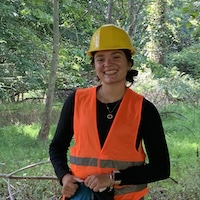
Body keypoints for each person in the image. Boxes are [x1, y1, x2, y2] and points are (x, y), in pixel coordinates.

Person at [49, 24, 170, 200]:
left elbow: (161, 168)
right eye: (100, 58)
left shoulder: (144, 109)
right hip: (81, 196)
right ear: (94, 65)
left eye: (116, 56)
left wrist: (113, 178)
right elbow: (57, 147)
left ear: (129, 63)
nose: (108, 64)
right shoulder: (76, 100)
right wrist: (65, 177)